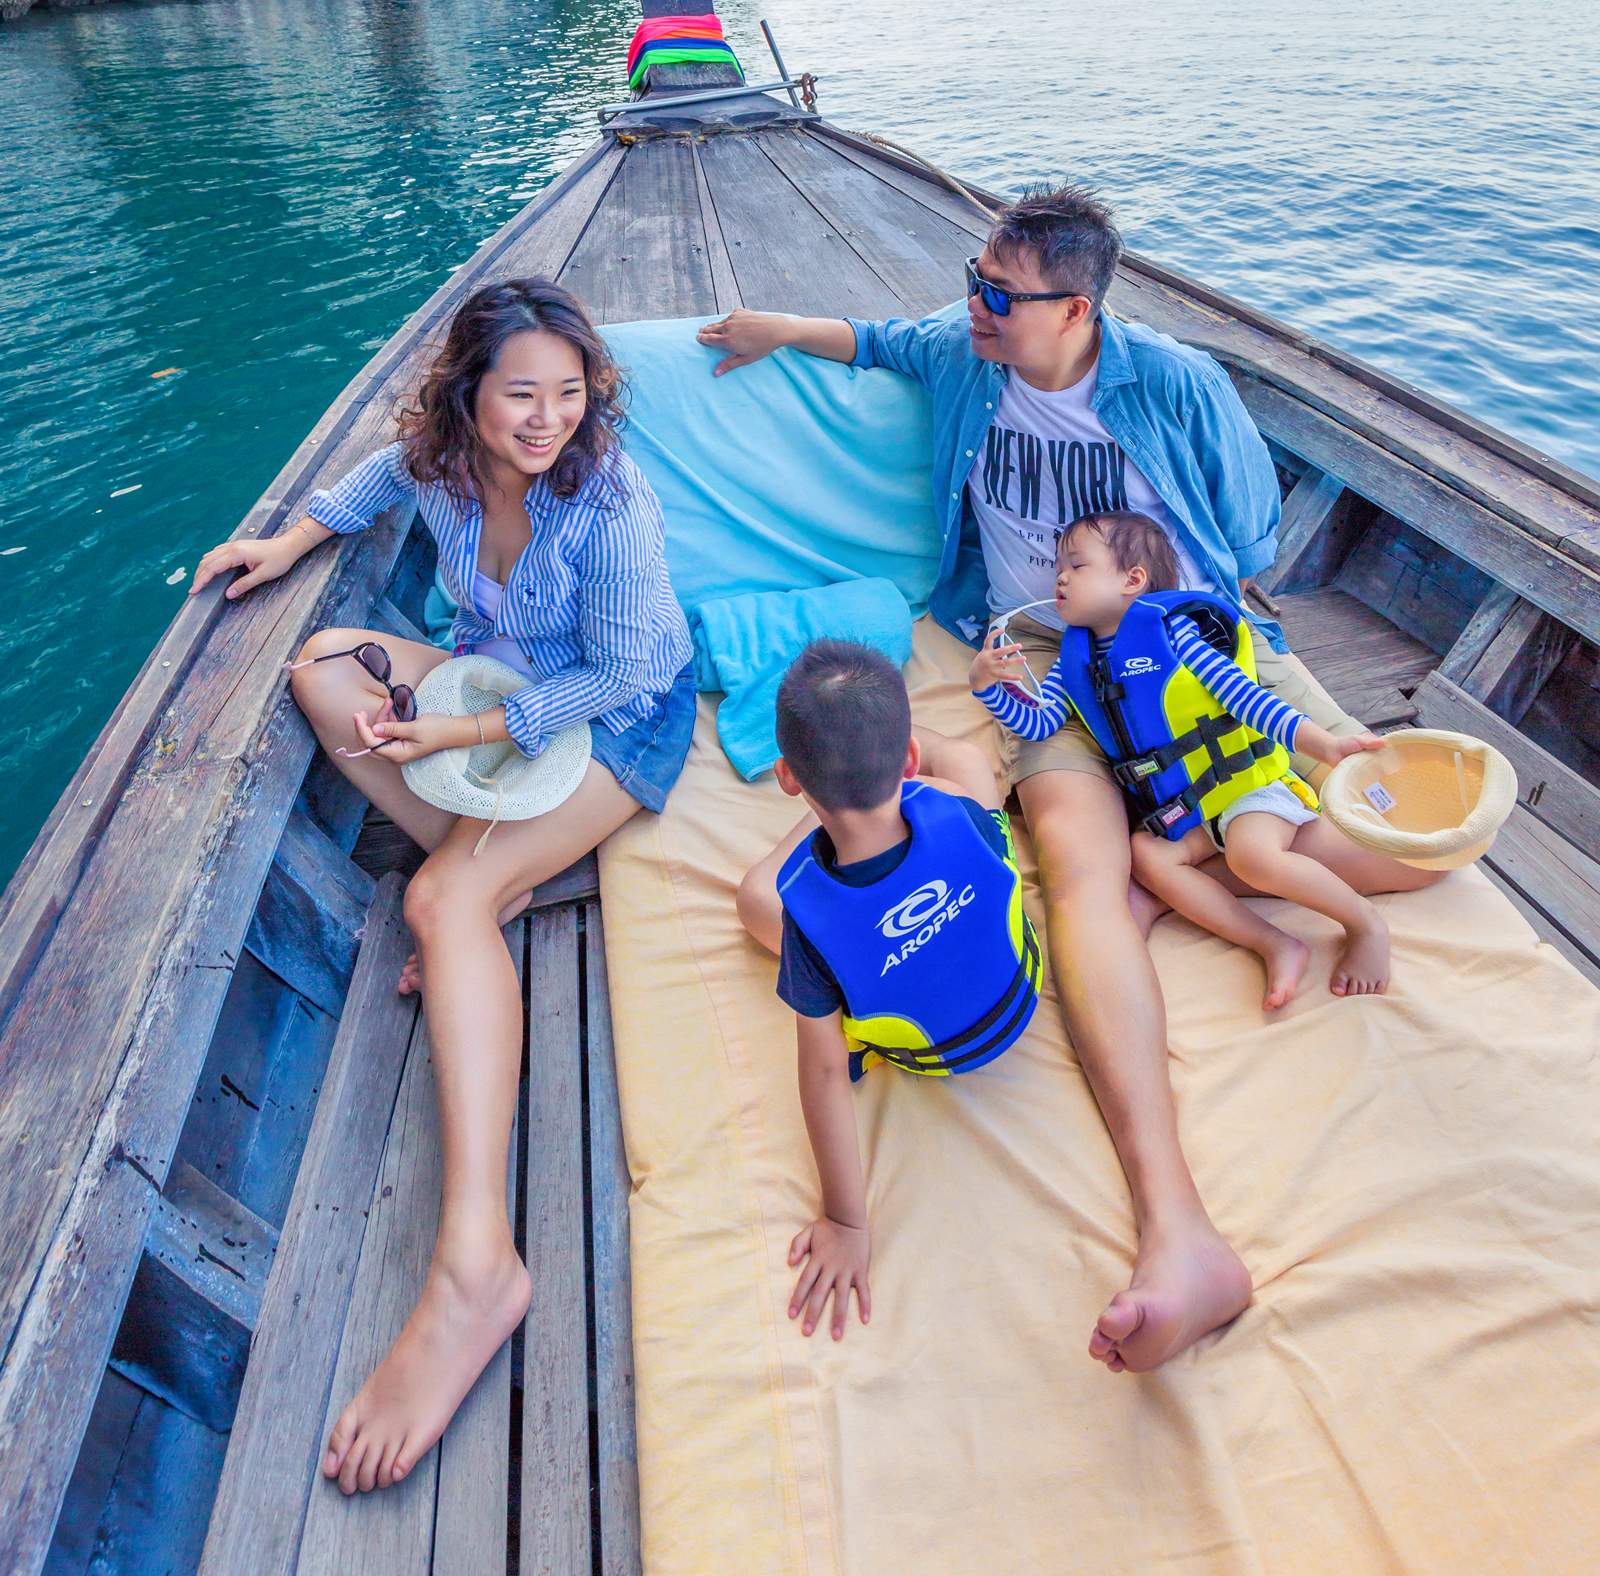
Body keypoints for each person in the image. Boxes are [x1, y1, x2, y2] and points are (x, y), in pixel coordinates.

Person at [698, 182, 1444, 1376]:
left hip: (1164, 644)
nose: (972, 305)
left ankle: (1271, 880)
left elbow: (1248, 541)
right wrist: (775, 330)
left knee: (1252, 844)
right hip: (1038, 660)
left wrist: (1209, 662)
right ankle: (1182, 1233)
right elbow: (881, 340)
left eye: (997, 291)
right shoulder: (966, 352)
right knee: (1085, 877)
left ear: (1078, 307)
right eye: (970, 279)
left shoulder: (1178, 385)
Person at [189, 279, 695, 1494]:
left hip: (614, 723)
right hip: (498, 699)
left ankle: (477, 1267)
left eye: (568, 393)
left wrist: (462, 742)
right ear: (466, 394)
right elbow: (366, 485)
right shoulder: (437, 461)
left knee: (437, 903)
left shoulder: (608, 500)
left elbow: (628, 671)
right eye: (520, 393)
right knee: (324, 665)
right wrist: (287, 540)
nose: (546, 420)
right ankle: (500, 870)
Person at [735, 639, 1041, 1343]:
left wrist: (846, 1219)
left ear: (786, 778)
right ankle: (862, 769)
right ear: (909, 762)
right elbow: (962, 793)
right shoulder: (954, 807)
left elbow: (820, 1072)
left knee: (755, 898)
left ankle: (836, 804)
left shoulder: (807, 922)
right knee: (966, 756)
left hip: (930, 1053)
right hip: (1018, 991)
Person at [970, 510, 1398, 1009]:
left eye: (1076, 565)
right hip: (1195, 808)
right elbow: (1039, 725)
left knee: (1252, 855)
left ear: (1133, 580)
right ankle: (1273, 942)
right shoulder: (1074, 661)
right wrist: (990, 689)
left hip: (1248, 792)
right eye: (1057, 567)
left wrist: (1322, 745)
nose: (1059, 576)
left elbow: (1248, 699)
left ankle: (1365, 925)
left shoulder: (1176, 637)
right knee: (1147, 856)